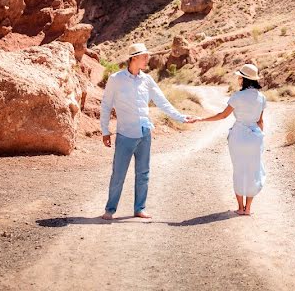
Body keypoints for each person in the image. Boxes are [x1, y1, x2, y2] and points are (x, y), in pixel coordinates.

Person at [98, 42, 194, 220]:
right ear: (134, 58)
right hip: (125, 134)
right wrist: (105, 130)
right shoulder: (116, 79)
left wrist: (181, 117)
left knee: (143, 173)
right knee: (118, 173)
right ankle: (110, 210)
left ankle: (140, 208)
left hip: (145, 133)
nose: (147, 59)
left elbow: (162, 102)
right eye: (144, 57)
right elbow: (106, 105)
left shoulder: (147, 80)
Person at [190, 63, 266, 215]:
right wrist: (259, 139)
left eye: (240, 77)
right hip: (255, 137)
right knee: (252, 170)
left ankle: (240, 208)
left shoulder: (237, 96)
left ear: (243, 79)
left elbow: (222, 115)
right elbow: (260, 121)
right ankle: (248, 209)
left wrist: (201, 119)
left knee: (239, 170)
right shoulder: (262, 98)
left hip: (238, 136)